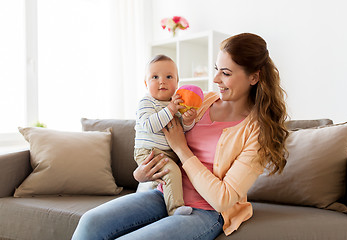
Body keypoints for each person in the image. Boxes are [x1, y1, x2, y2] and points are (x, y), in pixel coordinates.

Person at [72, 33, 289, 240]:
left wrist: (181, 149)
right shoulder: (202, 101)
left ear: (254, 77)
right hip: (163, 194)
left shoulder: (258, 132)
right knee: (90, 222)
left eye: (226, 73)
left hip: (206, 211)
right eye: (216, 69)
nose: (215, 79)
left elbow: (223, 199)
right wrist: (140, 174)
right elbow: (153, 131)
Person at [134, 54, 195, 216]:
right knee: (171, 172)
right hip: (150, 152)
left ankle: (164, 199)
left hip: (169, 153)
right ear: (146, 83)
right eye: (155, 77)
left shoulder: (175, 104)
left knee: (179, 173)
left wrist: (189, 121)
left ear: (177, 83)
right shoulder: (146, 102)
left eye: (169, 76)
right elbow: (149, 125)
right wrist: (170, 110)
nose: (162, 81)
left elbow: (183, 130)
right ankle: (175, 209)